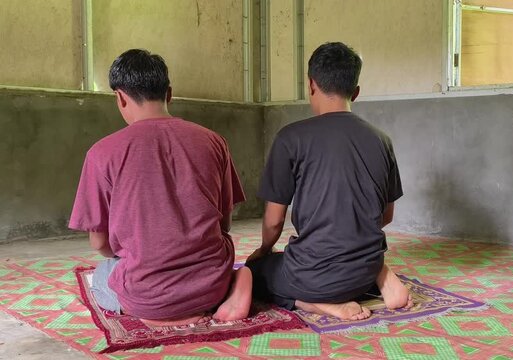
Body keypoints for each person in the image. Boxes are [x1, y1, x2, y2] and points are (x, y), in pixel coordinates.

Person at [69, 49, 251, 326]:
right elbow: (224, 225)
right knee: (221, 257)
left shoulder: (101, 153)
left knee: (104, 275)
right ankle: (239, 280)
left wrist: (142, 253)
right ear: (169, 93)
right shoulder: (214, 141)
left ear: (119, 97)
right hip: (211, 286)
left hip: (145, 296)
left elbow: (100, 243)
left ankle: (156, 316)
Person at [246, 42, 412, 321]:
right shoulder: (381, 140)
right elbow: (386, 215)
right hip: (364, 272)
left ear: (311, 85)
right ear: (356, 92)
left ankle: (315, 303)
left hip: (311, 277)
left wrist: (263, 250)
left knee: (252, 275)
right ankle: (382, 275)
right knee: (354, 254)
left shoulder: (291, 138)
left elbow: (274, 221)